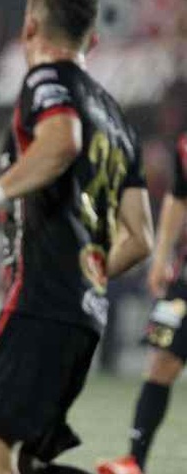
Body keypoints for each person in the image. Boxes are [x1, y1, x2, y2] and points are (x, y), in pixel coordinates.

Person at [0, 0, 154, 474]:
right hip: (82, 315)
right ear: (93, 40)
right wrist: (88, 278)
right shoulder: (118, 120)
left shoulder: (46, 80)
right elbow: (140, 237)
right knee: (24, 462)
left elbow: (61, 143)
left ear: (30, 27)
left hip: (40, 302)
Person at [96, 131, 187, 474]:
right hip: (184, 279)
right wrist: (162, 256)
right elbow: (179, 198)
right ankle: (135, 460)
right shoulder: (183, 145)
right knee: (161, 360)